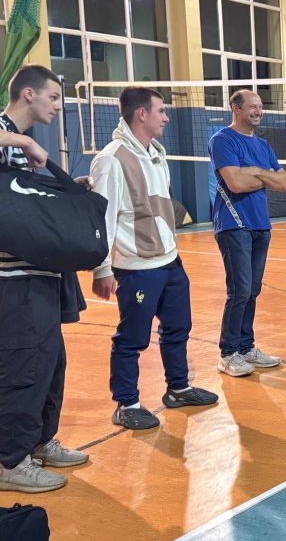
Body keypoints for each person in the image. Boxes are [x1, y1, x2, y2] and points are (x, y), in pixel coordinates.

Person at [90, 87, 218, 430]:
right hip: (136, 268)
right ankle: (127, 403)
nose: (166, 118)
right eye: (161, 111)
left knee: (178, 327)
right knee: (132, 338)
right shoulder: (112, 159)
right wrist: (102, 268)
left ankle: (178, 388)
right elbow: (102, 220)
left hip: (169, 261)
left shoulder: (156, 154)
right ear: (141, 114)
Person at [0, 65, 88, 493]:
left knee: (50, 364)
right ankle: (10, 461)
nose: (58, 106)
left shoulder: (20, 148)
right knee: (24, 366)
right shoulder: (9, 135)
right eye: (53, 97)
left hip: (41, 274)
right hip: (12, 281)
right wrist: (24, 141)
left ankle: (38, 442)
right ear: (28, 94)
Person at [208, 89, 286, 377]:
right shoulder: (222, 140)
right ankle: (228, 353)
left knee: (252, 290)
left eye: (260, 106)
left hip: (260, 225)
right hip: (234, 224)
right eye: (252, 106)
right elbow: (236, 184)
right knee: (240, 290)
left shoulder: (263, 145)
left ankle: (245, 347)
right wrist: (266, 176)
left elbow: (284, 183)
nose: (258, 111)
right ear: (236, 108)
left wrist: (254, 171)